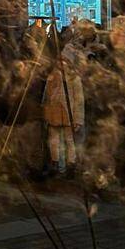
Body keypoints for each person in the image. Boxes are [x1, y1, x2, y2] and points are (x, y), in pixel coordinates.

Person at [42, 44, 84, 177]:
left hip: (68, 113)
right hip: (54, 112)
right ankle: (55, 163)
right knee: (53, 140)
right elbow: (46, 95)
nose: (61, 64)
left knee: (69, 141)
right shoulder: (53, 76)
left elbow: (79, 100)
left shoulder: (74, 79)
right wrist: (45, 111)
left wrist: (78, 118)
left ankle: (70, 164)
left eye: (64, 61)